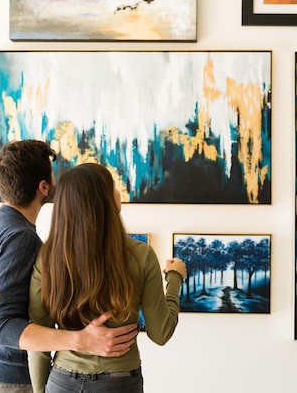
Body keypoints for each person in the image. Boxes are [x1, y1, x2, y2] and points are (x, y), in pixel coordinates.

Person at [0, 140, 138, 393]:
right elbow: (0, 326)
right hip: (11, 380)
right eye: (52, 176)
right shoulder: (21, 238)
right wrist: (81, 340)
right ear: (44, 187)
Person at [28, 163, 187, 393]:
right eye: (112, 186)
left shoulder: (47, 257)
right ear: (101, 201)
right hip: (119, 382)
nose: (118, 192)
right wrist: (175, 278)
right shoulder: (140, 255)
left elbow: (39, 338)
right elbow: (161, 333)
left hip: (62, 381)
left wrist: (39, 390)